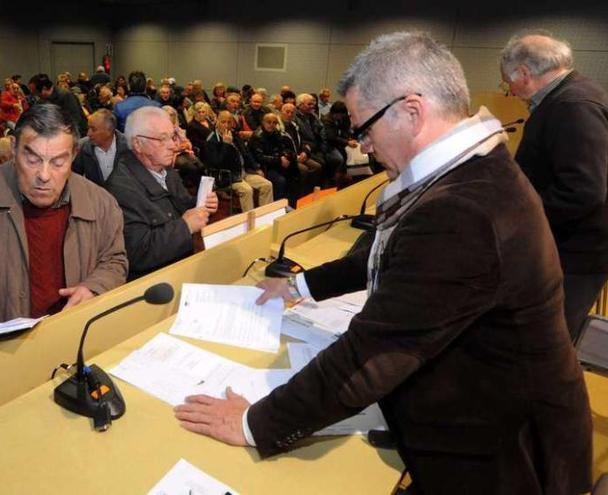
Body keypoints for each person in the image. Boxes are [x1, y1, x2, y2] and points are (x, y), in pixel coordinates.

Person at [173, 32, 592, 495]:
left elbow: (371, 353)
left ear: (412, 111)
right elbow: (395, 257)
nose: (363, 145)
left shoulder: (463, 209)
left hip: (503, 458)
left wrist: (255, 422)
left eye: (364, 128)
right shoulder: (469, 170)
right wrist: (300, 286)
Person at [0, 104, 127, 347]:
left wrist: (95, 287)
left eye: (59, 162)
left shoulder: (100, 202)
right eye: (33, 159)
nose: (44, 175)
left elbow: (114, 260)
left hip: (77, 339)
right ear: (14, 148)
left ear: (74, 155)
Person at [501, 31, 608, 342]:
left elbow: (584, 189)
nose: (508, 90)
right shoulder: (572, 95)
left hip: (574, 253)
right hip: (572, 246)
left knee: (548, 344)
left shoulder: (572, 104)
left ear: (523, 73)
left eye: (506, 81)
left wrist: (521, 216)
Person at [106, 106, 217, 280]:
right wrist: (185, 226)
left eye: (172, 137)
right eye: (162, 139)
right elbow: (137, 254)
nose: (173, 146)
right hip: (154, 283)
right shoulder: (120, 189)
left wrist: (201, 203)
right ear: (137, 144)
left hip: (181, 266)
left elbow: (180, 204)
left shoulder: (165, 170)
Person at [202, 110, 273, 212]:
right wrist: (226, 145)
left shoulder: (234, 135)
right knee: (247, 190)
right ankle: (250, 222)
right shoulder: (211, 140)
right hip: (228, 176)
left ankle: (266, 215)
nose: (226, 125)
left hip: (244, 172)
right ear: (217, 122)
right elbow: (216, 163)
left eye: (229, 122)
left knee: (267, 185)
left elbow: (246, 153)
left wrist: (256, 168)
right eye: (223, 122)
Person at [72, 109, 129, 187]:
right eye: (88, 128)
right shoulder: (81, 147)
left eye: (93, 129)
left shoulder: (130, 147)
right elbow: (74, 178)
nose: (88, 133)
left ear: (109, 130)